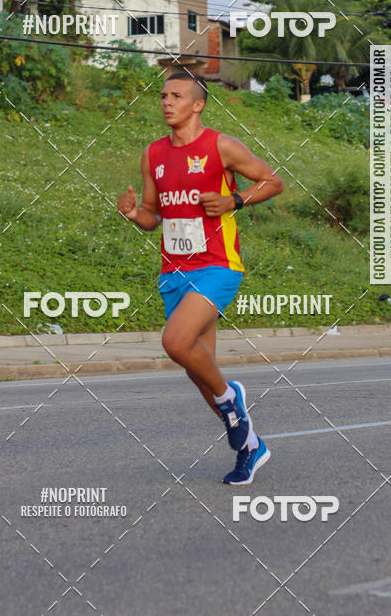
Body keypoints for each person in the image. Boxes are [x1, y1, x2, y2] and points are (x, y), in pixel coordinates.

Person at [117, 71, 284, 483]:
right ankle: (250, 448)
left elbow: (274, 180)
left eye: (176, 95)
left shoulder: (221, 146)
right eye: (162, 96)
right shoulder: (152, 154)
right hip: (173, 270)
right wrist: (134, 213)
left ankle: (232, 397)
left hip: (217, 265)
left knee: (175, 342)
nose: (166, 102)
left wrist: (235, 199)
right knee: (198, 370)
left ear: (198, 104)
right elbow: (153, 218)